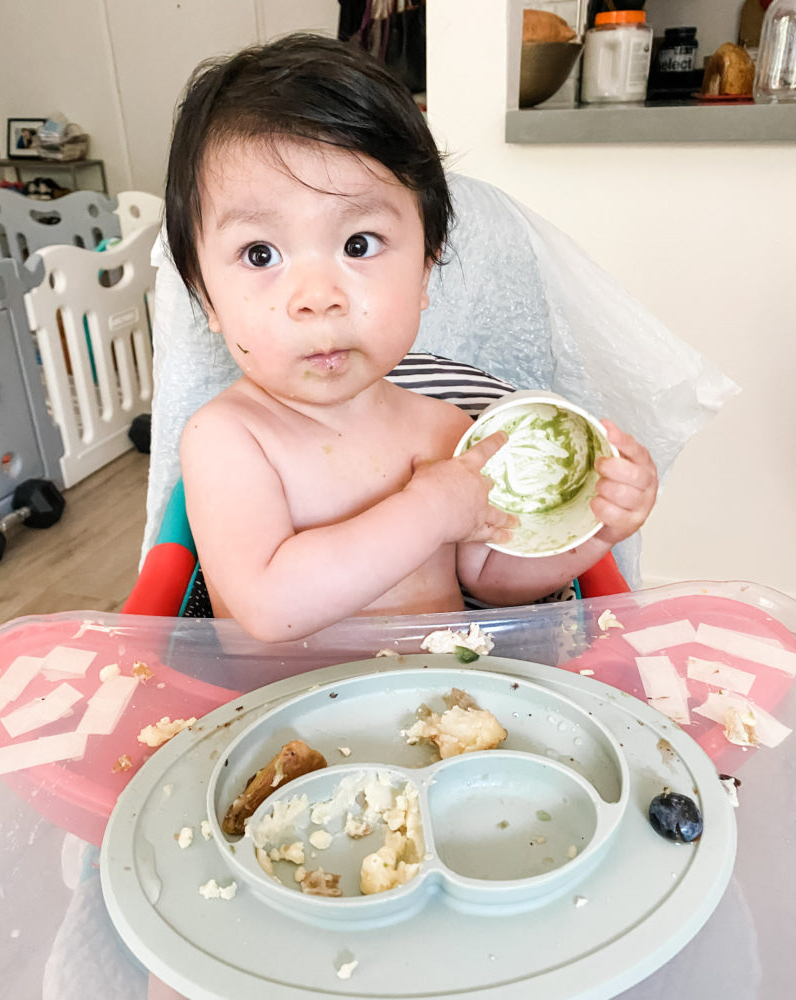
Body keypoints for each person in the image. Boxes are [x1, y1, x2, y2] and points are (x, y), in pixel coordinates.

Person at [165, 34, 657, 643]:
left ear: (426, 269)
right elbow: (270, 606)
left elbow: (493, 575)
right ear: (205, 296)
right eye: (260, 253)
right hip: (286, 723)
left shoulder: (446, 428)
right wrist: (427, 513)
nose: (318, 295)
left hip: (447, 714)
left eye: (358, 244)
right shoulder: (229, 439)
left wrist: (596, 527)